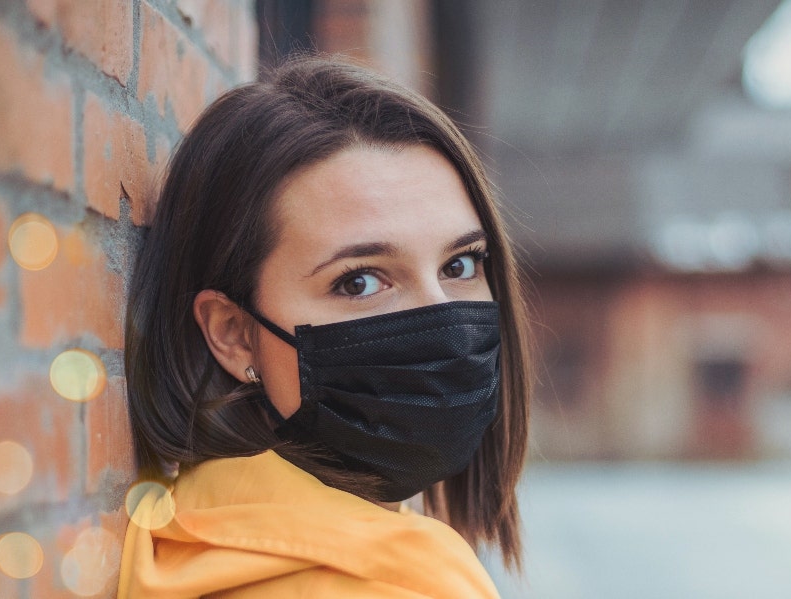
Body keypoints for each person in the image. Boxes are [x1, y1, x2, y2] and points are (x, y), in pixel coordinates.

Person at [117, 55, 532, 598]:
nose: (444, 323)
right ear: (234, 333)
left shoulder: (196, 537)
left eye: (460, 265)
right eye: (360, 281)